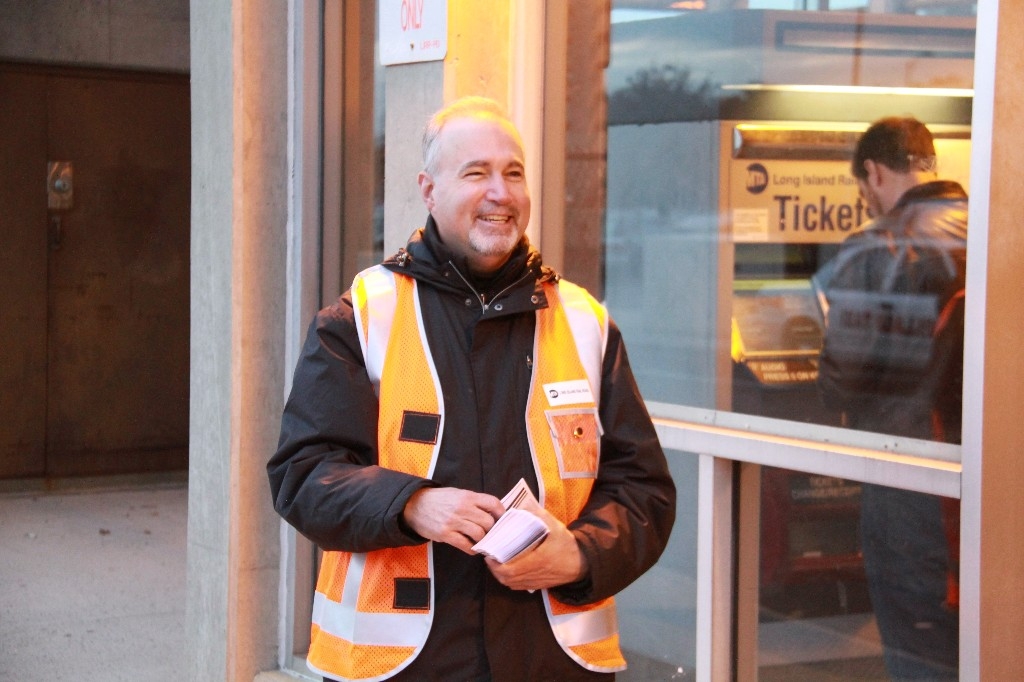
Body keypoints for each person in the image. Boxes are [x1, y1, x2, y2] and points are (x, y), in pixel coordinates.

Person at [267, 95, 676, 682]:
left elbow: (646, 493)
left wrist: (583, 552)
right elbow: (303, 475)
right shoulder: (363, 315)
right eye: (476, 173)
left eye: (513, 173)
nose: (500, 193)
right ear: (429, 190)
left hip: (554, 664)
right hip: (405, 667)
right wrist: (411, 504)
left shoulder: (584, 321)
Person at [817, 117, 966, 681]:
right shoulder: (998, 227)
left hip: (914, 486)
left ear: (874, 174)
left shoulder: (878, 245)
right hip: (994, 477)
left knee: (920, 647)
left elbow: (840, 382)